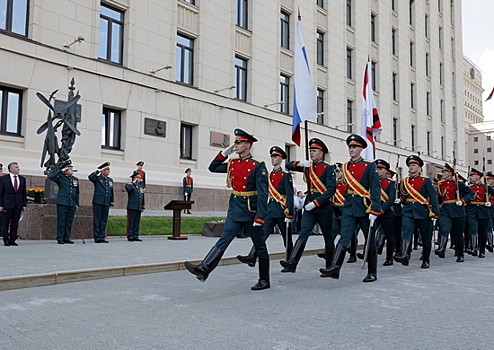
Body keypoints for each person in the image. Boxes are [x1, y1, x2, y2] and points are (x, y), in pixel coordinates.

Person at [184, 128, 270, 291]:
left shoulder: (258, 165)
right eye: (235, 143)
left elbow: (263, 193)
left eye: (238, 143)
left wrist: (260, 216)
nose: (235, 145)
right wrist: (225, 152)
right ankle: (204, 268)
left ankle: (264, 280)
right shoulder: (233, 163)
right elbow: (213, 167)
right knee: (225, 238)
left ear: (247, 145)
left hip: (251, 210)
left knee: (259, 245)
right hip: (235, 207)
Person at [320, 135, 381, 282]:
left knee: (370, 240)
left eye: (354, 147)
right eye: (350, 147)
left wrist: (375, 209)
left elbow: (375, 189)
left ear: (361, 149)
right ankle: (335, 267)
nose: (351, 149)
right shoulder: (345, 167)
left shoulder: (369, 165)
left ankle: (372, 272)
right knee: (344, 237)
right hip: (349, 208)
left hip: (365, 208)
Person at [280, 138, 336, 273]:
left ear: (321, 153)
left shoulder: (328, 168)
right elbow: (288, 165)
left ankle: (330, 266)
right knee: (303, 233)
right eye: (310, 150)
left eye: (314, 150)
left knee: (328, 236)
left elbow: (331, 190)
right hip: (309, 205)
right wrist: (300, 163)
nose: (311, 153)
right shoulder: (308, 166)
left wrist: (316, 203)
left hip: (322, 206)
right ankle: (292, 262)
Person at [237, 146, 294, 267]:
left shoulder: (285, 175)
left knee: (287, 238)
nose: (273, 159)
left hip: (282, 211)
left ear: (281, 158)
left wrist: (290, 213)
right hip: (270, 210)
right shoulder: (268, 175)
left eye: (276, 157)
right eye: (272, 157)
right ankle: (252, 256)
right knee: (261, 235)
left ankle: (290, 262)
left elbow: (290, 195)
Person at [393, 155, 439, 268]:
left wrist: (435, 212)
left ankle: (426, 259)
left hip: (423, 211)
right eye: (410, 165)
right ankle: (404, 255)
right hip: (408, 210)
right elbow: (404, 194)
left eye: (414, 165)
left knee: (425, 235)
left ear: (419, 167)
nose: (411, 167)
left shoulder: (426, 180)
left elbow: (433, 197)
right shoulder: (405, 181)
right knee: (406, 231)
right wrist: (400, 199)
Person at [435, 163, 474, 262]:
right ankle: (441, 248)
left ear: (450, 173)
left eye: (445, 171)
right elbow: (439, 197)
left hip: (457, 209)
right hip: (445, 209)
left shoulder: (458, 183)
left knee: (458, 233)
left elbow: (471, 192)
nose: (443, 173)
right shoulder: (440, 184)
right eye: (443, 171)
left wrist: (463, 200)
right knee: (444, 227)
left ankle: (460, 254)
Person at [48, 160, 80, 244]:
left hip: (72, 203)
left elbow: (77, 192)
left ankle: (67, 237)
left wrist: (77, 203)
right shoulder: (60, 177)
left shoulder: (75, 179)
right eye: (69, 168)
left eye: (71, 168)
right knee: (61, 221)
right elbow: (51, 177)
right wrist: (60, 170)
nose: (71, 170)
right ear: (65, 170)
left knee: (69, 221)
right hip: (62, 202)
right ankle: (60, 237)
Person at [465, 168, 494, 258]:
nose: (471, 177)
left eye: (472, 176)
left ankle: (482, 250)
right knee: (473, 228)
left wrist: (491, 202)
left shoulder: (486, 187)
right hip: (472, 210)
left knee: (483, 231)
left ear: (478, 177)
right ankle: (473, 248)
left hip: (483, 210)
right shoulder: (469, 188)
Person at [373, 159, 396, 266]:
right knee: (371, 235)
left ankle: (389, 258)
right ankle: (370, 255)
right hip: (373, 212)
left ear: (386, 171)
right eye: (377, 168)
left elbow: (391, 199)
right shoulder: (372, 181)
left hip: (386, 213)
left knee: (389, 235)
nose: (378, 171)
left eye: (380, 169)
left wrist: (381, 209)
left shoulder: (391, 183)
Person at [0, 162, 27, 246]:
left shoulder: (22, 179)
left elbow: (23, 193)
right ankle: (6, 240)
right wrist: (0, 205)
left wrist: (24, 204)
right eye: (16, 167)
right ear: (10, 169)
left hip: (17, 205)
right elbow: (1, 193)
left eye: (18, 167)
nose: (18, 168)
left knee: (15, 223)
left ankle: (13, 239)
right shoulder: (4, 179)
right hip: (7, 204)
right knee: (6, 223)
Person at [88, 162, 114, 243]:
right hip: (98, 202)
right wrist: (98, 171)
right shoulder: (98, 178)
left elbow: (111, 191)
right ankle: (97, 237)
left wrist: (111, 202)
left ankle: (102, 236)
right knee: (97, 219)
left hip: (106, 202)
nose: (108, 171)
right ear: (102, 170)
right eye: (106, 169)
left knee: (103, 220)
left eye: (109, 170)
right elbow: (90, 177)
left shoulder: (110, 180)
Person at [126, 172, 145, 242]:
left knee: (136, 222)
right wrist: (133, 182)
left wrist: (143, 206)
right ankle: (130, 235)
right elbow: (128, 189)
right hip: (132, 206)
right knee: (131, 222)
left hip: (138, 207)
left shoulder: (140, 186)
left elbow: (142, 196)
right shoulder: (130, 185)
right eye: (137, 178)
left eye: (139, 178)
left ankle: (135, 235)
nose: (139, 179)